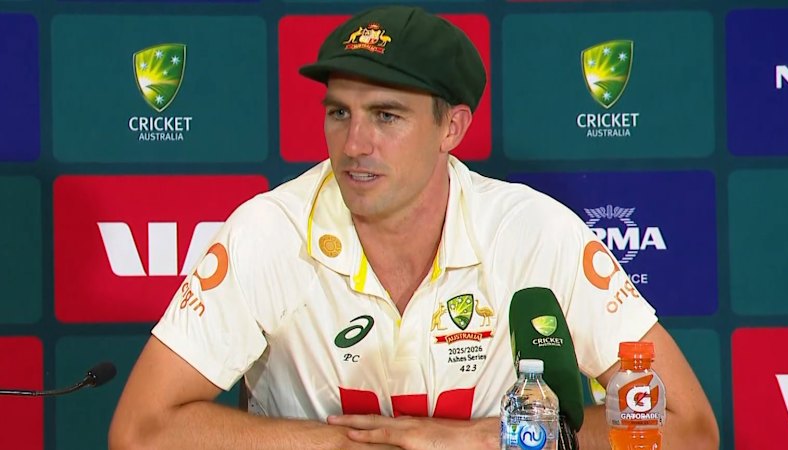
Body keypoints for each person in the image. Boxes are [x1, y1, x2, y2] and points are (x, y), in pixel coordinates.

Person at [108, 5, 719, 450]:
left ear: (451, 128)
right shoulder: (267, 231)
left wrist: (486, 438)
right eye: (339, 112)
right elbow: (142, 430)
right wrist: (352, 445)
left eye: (386, 116)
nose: (354, 144)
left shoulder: (534, 234)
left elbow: (685, 427)